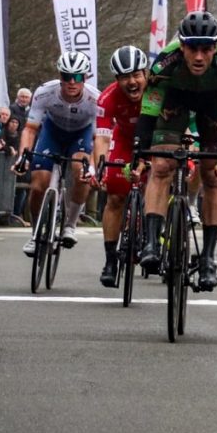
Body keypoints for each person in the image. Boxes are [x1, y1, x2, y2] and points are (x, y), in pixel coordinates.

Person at [136, 12, 217, 292]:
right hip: (174, 100)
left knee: (213, 174)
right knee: (161, 166)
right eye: (192, 48)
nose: (198, 56)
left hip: (212, 105)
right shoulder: (164, 63)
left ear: (215, 48)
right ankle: (150, 241)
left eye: (206, 49)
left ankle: (207, 258)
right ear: (181, 46)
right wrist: (142, 144)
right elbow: (149, 108)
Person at [14, 51, 99, 256]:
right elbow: (30, 129)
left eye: (77, 77)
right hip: (52, 132)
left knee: (81, 171)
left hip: (82, 133)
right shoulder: (44, 92)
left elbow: (99, 139)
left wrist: (94, 167)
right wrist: (22, 156)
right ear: (59, 76)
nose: (71, 82)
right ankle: (35, 234)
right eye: (66, 76)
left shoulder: (95, 98)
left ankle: (70, 224)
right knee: (38, 184)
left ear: (85, 78)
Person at [93, 45, 150, 287]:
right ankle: (110, 260)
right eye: (125, 77)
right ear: (117, 80)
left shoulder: (158, 92)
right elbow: (103, 138)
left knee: (157, 183)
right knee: (115, 195)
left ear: (146, 74)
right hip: (125, 140)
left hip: (154, 138)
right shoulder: (107, 98)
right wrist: (101, 168)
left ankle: (153, 239)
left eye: (136, 75)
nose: (132, 82)